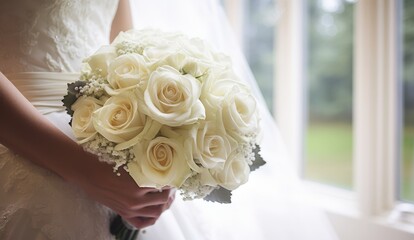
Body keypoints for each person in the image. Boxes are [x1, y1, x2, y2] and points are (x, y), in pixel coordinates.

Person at [0, 0, 339, 239]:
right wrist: (85, 171)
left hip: (107, 137)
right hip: (24, 143)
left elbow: (124, 49)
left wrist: (160, 139)